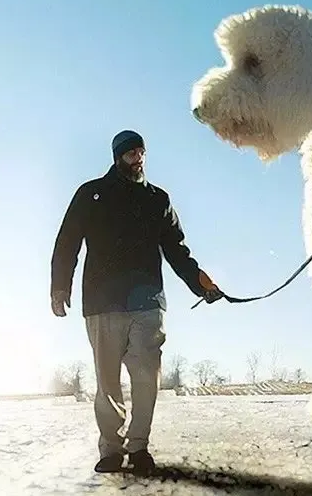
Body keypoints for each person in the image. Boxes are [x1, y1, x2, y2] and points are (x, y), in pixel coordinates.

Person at [50, 129, 224, 474]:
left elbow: (176, 249)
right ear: (118, 157)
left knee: (146, 379)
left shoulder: (157, 199)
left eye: (142, 152)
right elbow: (67, 242)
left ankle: (139, 446)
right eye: (132, 153)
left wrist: (201, 283)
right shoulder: (91, 194)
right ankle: (111, 450)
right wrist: (60, 287)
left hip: (147, 304)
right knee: (108, 382)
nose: (139, 158)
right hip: (102, 303)